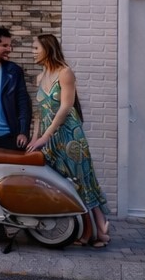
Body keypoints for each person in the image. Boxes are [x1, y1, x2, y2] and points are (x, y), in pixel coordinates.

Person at [27, 33, 111, 247]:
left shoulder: (65, 73)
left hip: (70, 138)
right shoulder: (40, 77)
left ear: (47, 48)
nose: (32, 52)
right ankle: (94, 230)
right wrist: (35, 138)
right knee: (65, 185)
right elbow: (39, 113)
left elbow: (66, 107)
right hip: (50, 141)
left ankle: (94, 233)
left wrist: (45, 136)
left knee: (81, 183)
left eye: (36, 48)